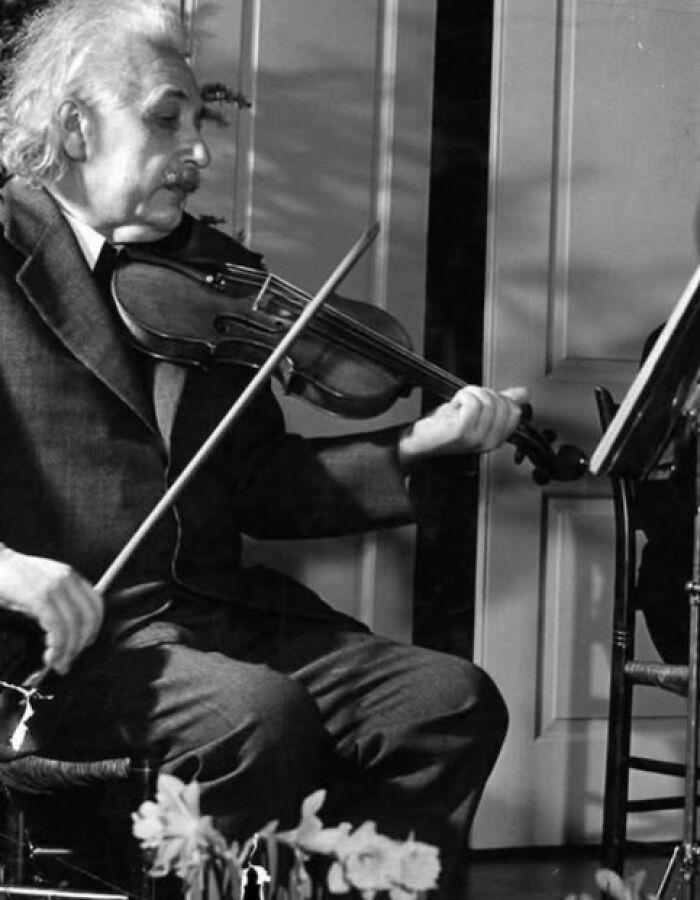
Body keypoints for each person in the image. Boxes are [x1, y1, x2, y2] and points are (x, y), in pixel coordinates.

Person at [0, 0, 530, 894]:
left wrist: (413, 448)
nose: (200, 151)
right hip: (50, 654)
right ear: (75, 126)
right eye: (167, 118)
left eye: (200, 119)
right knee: (256, 715)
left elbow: (257, 486)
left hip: (214, 623)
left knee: (444, 702)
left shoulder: (204, 274)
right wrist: (8, 569)